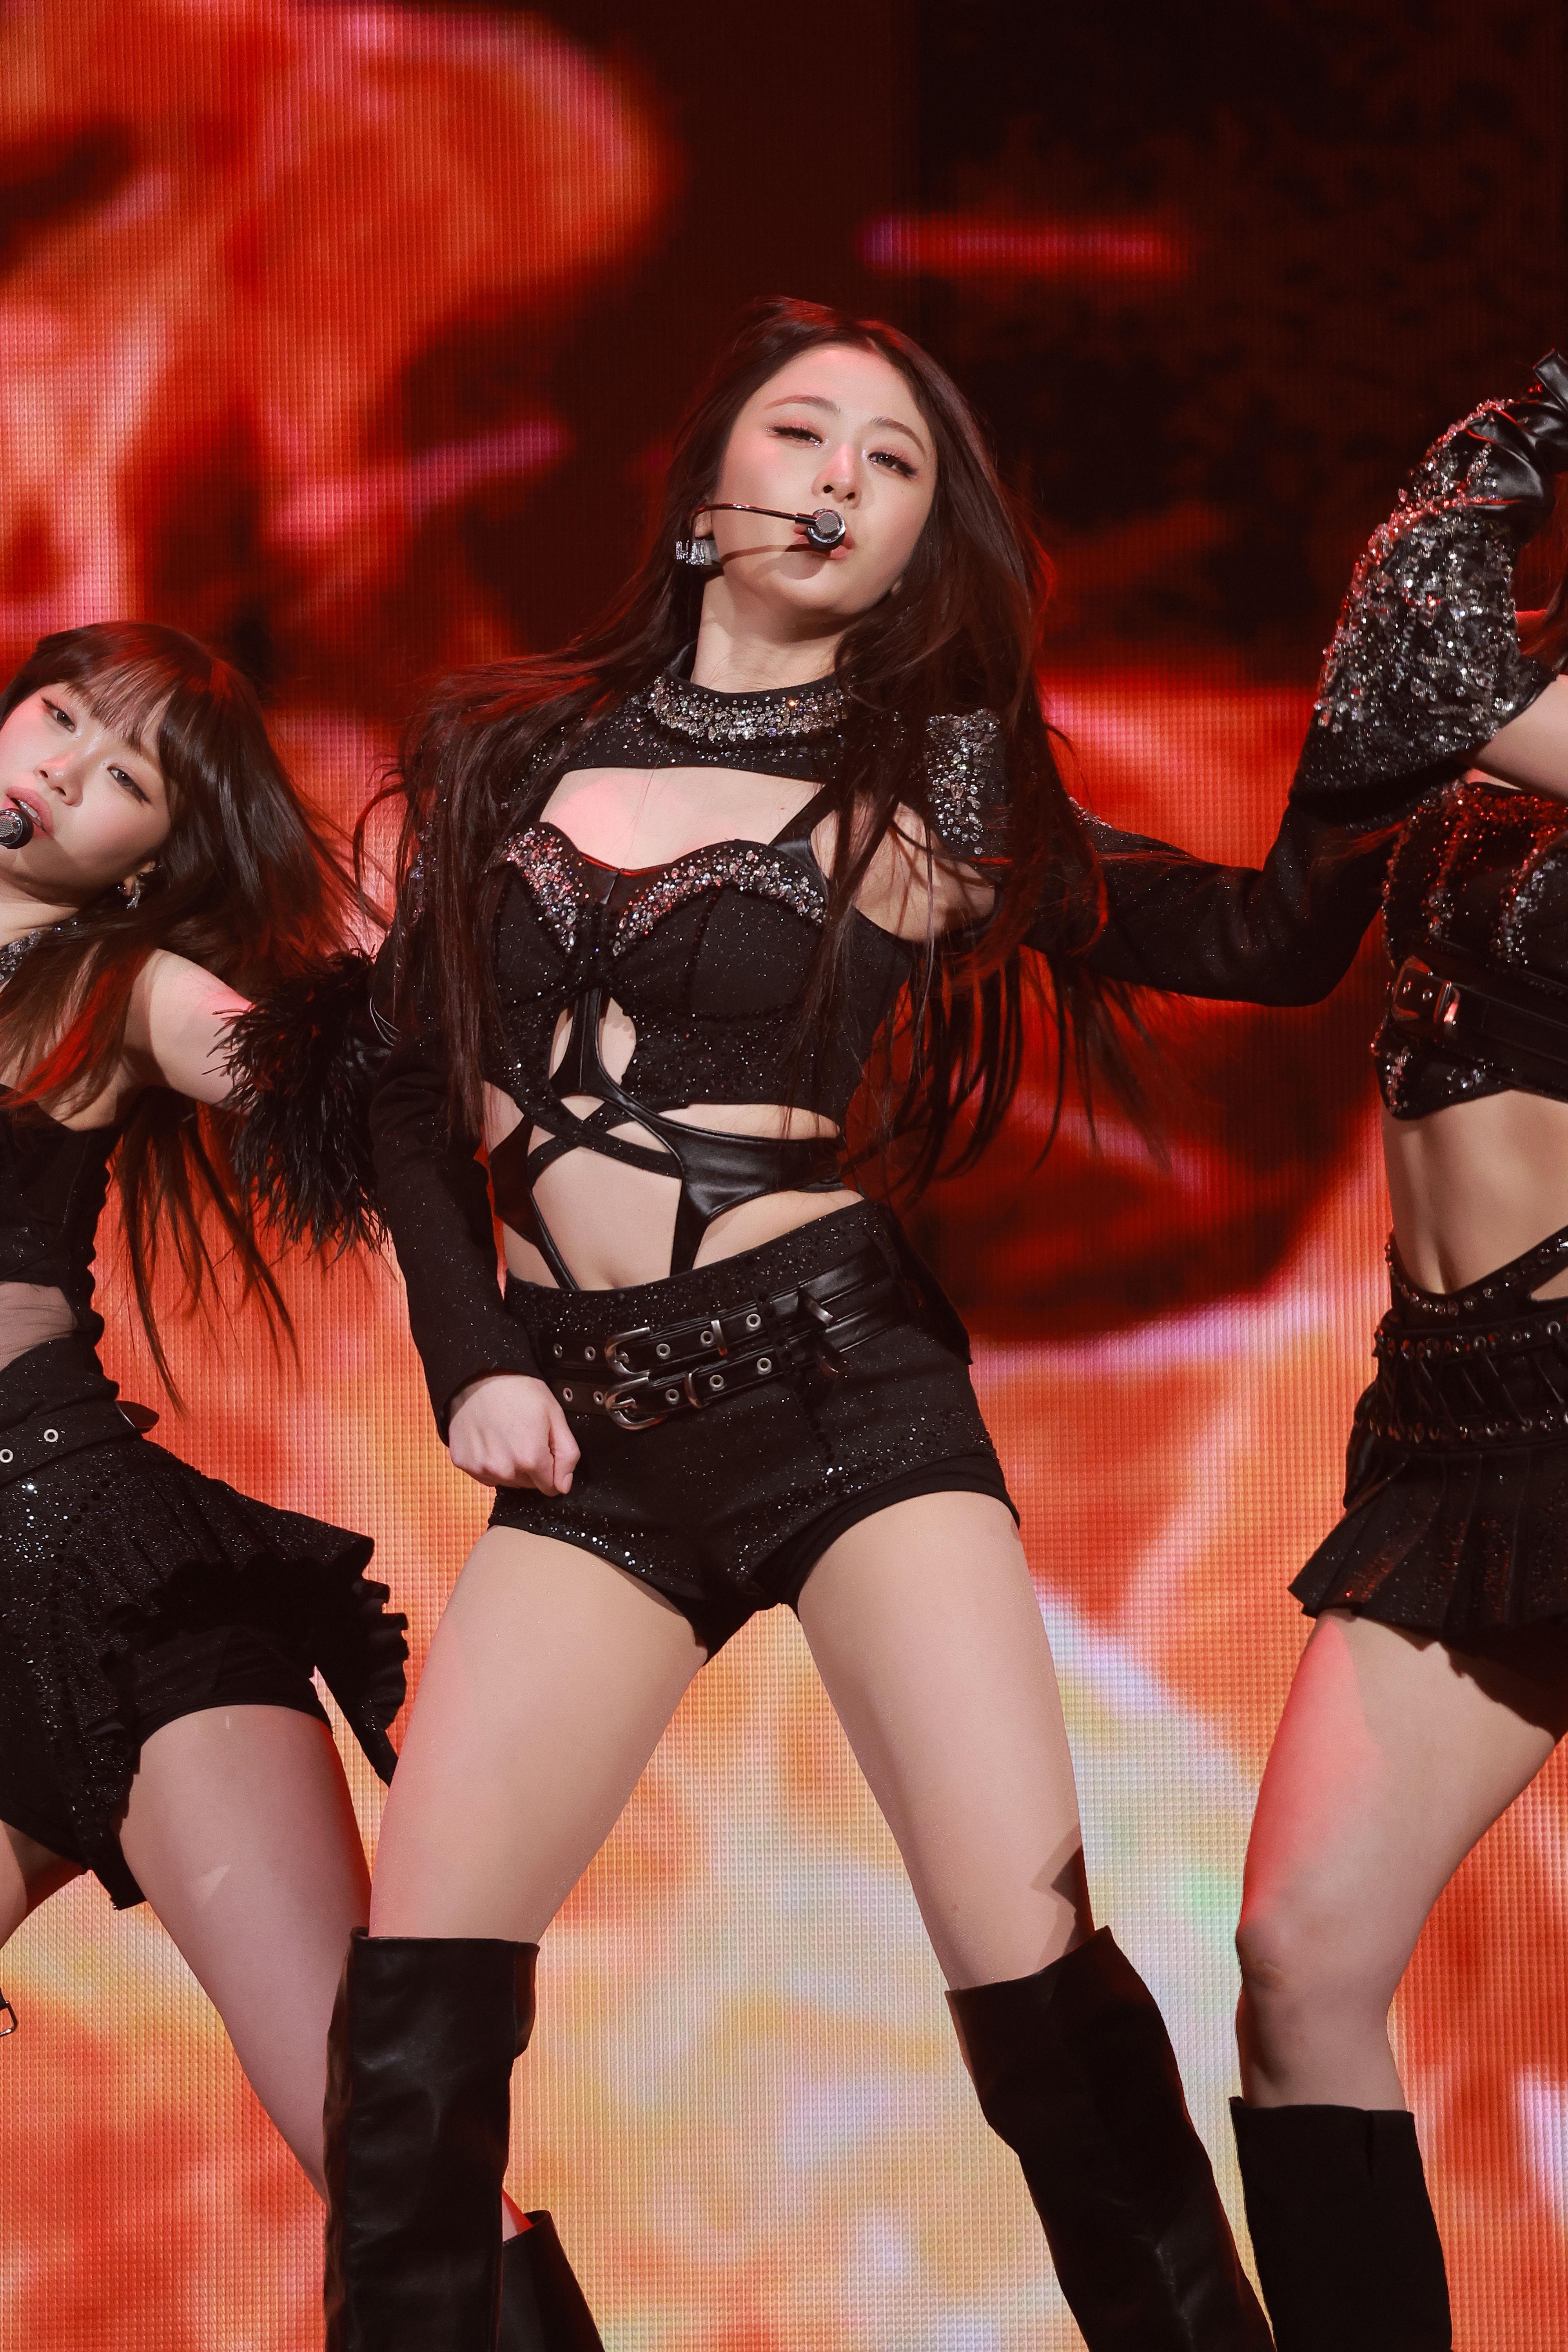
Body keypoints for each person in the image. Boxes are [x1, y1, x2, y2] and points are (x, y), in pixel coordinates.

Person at [327, 294, 1459, 2352]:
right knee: (409, 2035)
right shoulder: (505, 753)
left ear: (921, 545)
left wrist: (1392, 713)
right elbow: (410, 1094)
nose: (839, 475)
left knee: (1035, 1991)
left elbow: (1263, 941)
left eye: (894, 460)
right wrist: (472, 1357)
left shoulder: (927, 797)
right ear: (705, 489)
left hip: (843, 1395)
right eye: (802, 432)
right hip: (588, 1440)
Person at [0, 622, 594, 2349]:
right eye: (57, 716)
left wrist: (486, 1342)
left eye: (124, 775)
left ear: (153, 861)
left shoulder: (126, 992)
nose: (59, 769)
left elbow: (356, 1099)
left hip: (105, 1587)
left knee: (379, 2148)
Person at [1228, 359, 1568, 2352]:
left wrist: (1507, 428)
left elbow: (1411, 667)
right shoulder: (1531, 701)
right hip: (1455, 1426)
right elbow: (1316, 853)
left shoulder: (1489, 698)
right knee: (1297, 1963)